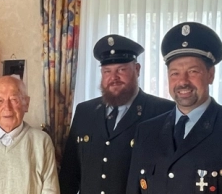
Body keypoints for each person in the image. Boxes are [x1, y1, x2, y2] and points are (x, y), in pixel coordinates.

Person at [59, 35, 175, 194]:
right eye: (107, 71)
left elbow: (170, 176)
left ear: (137, 69)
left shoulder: (163, 111)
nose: (113, 78)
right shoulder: (84, 111)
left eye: (121, 70)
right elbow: (69, 174)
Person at [126, 22, 222, 194]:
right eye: (175, 73)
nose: (183, 81)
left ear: (211, 75)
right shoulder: (147, 131)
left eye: (193, 71)